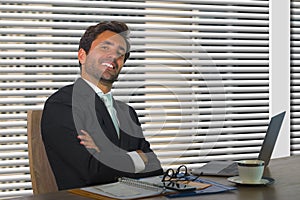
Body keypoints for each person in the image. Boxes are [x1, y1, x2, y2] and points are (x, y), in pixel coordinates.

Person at [41, 21, 163, 190]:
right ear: (82, 56)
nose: (113, 57)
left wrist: (104, 154)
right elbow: (92, 171)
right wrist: (137, 158)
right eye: (105, 48)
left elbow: (155, 167)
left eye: (120, 53)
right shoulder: (62, 105)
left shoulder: (127, 112)